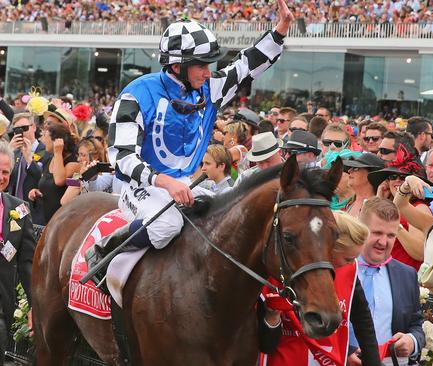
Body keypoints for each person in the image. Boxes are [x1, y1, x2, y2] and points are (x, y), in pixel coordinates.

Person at [85, 3, 294, 275]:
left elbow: (244, 67)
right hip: (138, 187)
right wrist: (165, 181)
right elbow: (122, 157)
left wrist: (280, 31)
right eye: (202, 66)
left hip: (183, 183)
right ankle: (106, 247)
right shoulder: (136, 93)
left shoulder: (209, 88)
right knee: (166, 225)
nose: (208, 72)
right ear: (176, 66)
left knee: (229, 215)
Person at [259, 211, 381, 366]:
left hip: (328, 358)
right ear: (329, 249)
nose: (351, 264)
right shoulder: (287, 268)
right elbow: (265, 341)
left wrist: (373, 362)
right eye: (348, 259)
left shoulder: (350, 271)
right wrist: (273, 316)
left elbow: (363, 320)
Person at [350, 197, 424, 365]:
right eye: (377, 233)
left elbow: (416, 324)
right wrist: (347, 351)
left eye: (391, 235)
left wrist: (412, 341)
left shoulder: (406, 274)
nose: (383, 242)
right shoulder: (339, 270)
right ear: (361, 229)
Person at [368, 145, 433, 271]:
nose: (397, 181)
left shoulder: (418, 208)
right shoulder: (387, 206)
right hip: (383, 275)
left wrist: (394, 225)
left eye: (403, 178)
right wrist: (378, 201)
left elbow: (420, 252)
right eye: (392, 177)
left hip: (406, 278)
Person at [0, 141, 36, 364]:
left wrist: (34, 305)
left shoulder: (19, 210)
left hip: (3, 304)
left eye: (5, 172)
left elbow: (27, 263)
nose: (1, 176)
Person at [29, 122, 80, 224]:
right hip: (44, 219)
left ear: (56, 140)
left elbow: (59, 181)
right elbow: (48, 184)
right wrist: (36, 191)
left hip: (61, 221)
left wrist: (58, 152)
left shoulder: (73, 161)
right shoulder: (49, 158)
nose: (41, 140)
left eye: (45, 136)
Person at [7, 113, 46, 225]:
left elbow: (42, 179)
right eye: (17, 130)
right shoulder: (15, 152)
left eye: (24, 128)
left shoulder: (44, 150)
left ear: (33, 127)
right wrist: (9, 152)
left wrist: (29, 159)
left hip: (34, 210)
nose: (21, 132)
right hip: (15, 208)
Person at [60, 137, 111, 206]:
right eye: (78, 155)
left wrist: (86, 175)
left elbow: (95, 189)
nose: (78, 159)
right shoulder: (79, 174)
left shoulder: (107, 174)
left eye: (83, 155)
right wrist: (80, 176)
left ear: (95, 157)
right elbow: (64, 200)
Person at [341, 153, 385, 217]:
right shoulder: (349, 204)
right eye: (351, 168)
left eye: (356, 168)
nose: (349, 170)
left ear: (371, 174)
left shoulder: (379, 207)